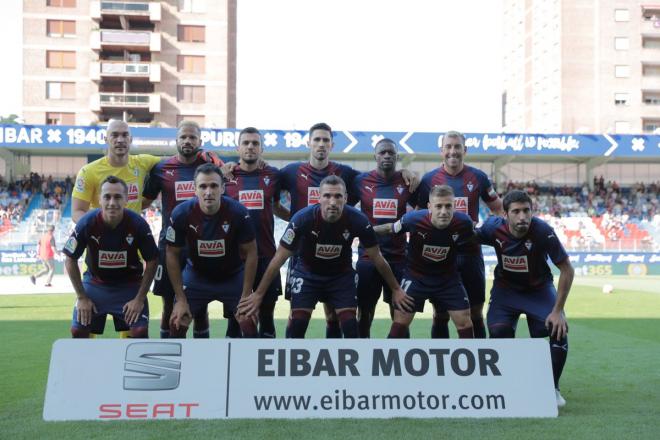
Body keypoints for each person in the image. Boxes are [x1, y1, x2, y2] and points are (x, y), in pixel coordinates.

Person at [279, 122, 419, 337]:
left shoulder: (347, 174)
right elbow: (264, 187)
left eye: (325, 140)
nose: (321, 144)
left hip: (342, 254)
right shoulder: (291, 171)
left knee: (334, 314)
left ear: (332, 144)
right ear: (309, 143)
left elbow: (382, 178)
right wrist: (295, 221)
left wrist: (405, 172)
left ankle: (338, 360)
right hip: (302, 255)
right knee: (296, 314)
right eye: (317, 139)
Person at [238, 175, 406, 339]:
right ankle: (292, 365)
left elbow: (377, 257)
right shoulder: (302, 219)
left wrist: (396, 289)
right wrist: (259, 294)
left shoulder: (358, 220)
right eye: (327, 196)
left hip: (341, 277)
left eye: (338, 196)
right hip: (307, 275)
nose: (332, 202)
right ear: (318, 198)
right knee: (297, 325)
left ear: (346, 198)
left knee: (350, 328)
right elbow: (279, 258)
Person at [477, 190, 572, 408]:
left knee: (557, 329)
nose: (522, 217)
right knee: (499, 331)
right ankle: (506, 386)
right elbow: (466, 236)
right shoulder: (493, 228)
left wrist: (557, 311)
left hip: (538, 290)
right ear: (505, 214)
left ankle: (552, 388)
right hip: (505, 291)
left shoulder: (543, 232)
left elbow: (567, 270)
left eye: (526, 211)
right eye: (516, 211)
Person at [417, 130, 503, 339]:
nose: (453, 151)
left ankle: (481, 364)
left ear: (465, 150)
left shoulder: (478, 177)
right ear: (441, 151)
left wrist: (491, 232)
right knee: (441, 314)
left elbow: (499, 209)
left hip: (471, 254)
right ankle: (442, 367)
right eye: (449, 147)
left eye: (457, 147)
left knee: (475, 314)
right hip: (441, 256)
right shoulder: (429, 180)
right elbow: (419, 217)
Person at [141, 120, 223, 339]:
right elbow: (142, 203)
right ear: (176, 141)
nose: (188, 141)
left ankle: (201, 358)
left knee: (200, 306)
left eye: (192, 137)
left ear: (200, 141)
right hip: (170, 245)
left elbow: (229, 183)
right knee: (169, 304)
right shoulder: (161, 169)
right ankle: (169, 355)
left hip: (202, 244)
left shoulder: (210, 168)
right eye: (183, 137)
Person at [166, 163, 258, 338]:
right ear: (195, 189)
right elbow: (171, 253)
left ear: (223, 188)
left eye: (214, 186)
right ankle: (180, 365)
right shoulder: (181, 214)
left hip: (232, 276)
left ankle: (248, 364)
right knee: (177, 321)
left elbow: (251, 252)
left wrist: (246, 295)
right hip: (196, 276)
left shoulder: (239, 213)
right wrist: (181, 299)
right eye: (203, 186)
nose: (208, 192)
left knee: (249, 320)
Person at [374, 185, 475, 339]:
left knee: (465, 322)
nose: (443, 211)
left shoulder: (464, 223)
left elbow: (477, 237)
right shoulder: (413, 219)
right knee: (400, 321)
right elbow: (390, 228)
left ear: (454, 206)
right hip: (416, 277)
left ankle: (471, 361)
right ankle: (390, 359)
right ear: (429, 207)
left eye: (448, 206)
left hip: (448, 279)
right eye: (438, 206)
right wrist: (364, 231)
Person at [63, 176, 158, 338]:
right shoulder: (87, 223)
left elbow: (153, 260)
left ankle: (132, 363)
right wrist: (82, 297)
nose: (112, 202)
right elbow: (70, 258)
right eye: (107, 197)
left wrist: (140, 299)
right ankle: (85, 364)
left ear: (126, 199)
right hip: (95, 284)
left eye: (118, 197)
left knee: (139, 332)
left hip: (129, 286)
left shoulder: (138, 224)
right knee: (78, 331)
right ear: (99, 199)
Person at [223, 127, 290, 338]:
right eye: (246, 143)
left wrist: (298, 220)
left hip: (266, 257)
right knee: (235, 318)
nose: (250, 147)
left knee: (267, 316)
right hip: (234, 259)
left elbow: (277, 207)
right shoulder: (226, 176)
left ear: (262, 148)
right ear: (238, 147)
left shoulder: (273, 175)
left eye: (255, 143)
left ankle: (264, 368)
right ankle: (231, 367)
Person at [352, 138, 417, 337]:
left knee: (400, 315)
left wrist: (411, 173)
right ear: (375, 156)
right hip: (368, 258)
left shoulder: (408, 183)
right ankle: (362, 354)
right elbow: (346, 208)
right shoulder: (360, 181)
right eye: (382, 152)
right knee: (364, 314)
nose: (387, 155)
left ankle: (400, 359)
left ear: (397, 156)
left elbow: (421, 212)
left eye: (391, 152)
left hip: (398, 258)